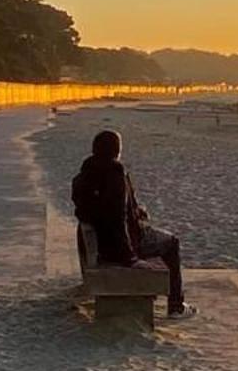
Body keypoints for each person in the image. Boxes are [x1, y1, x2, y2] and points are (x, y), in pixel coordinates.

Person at [70, 128, 192, 317]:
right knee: (171, 242)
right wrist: (130, 258)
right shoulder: (115, 173)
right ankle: (176, 305)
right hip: (118, 245)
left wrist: (135, 210)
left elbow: (99, 209)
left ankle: (175, 302)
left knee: (160, 236)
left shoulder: (85, 174)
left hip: (101, 242)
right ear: (116, 150)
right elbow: (117, 219)